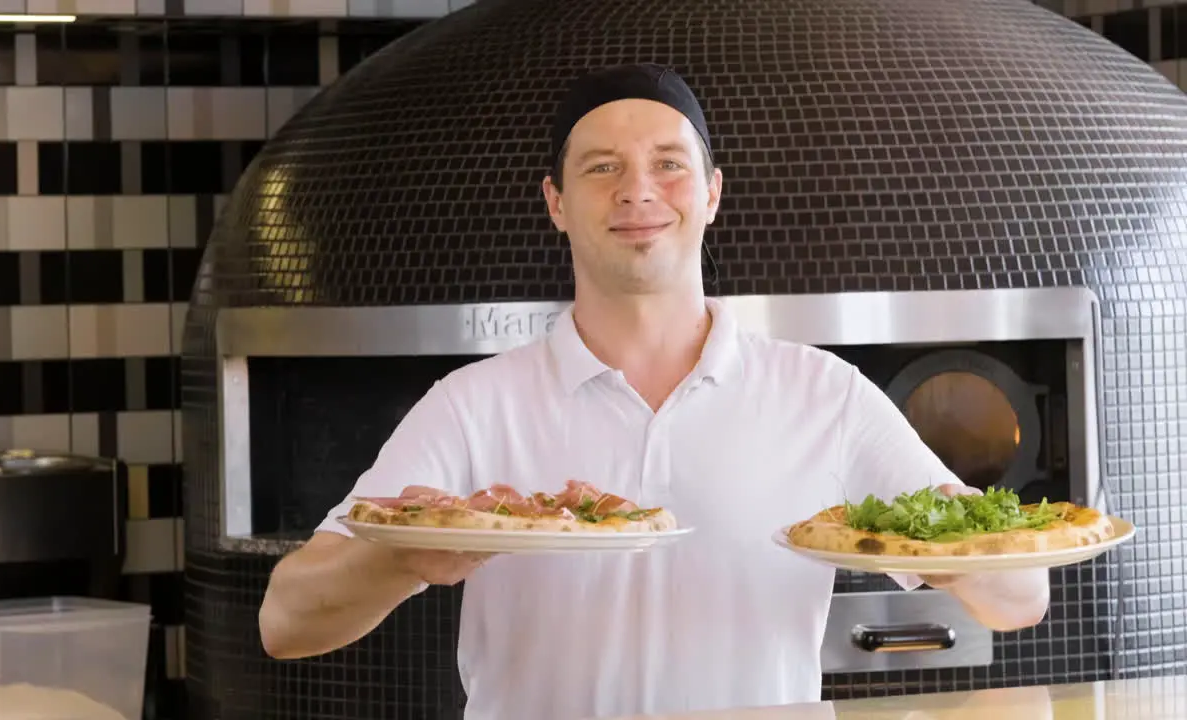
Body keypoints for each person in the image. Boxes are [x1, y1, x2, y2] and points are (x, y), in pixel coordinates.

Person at [258, 63, 1051, 720]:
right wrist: (408, 558)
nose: (638, 192)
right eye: (602, 168)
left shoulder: (825, 395)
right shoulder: (472, 404)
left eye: (668, 164)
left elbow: (1020, 596)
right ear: (556, 205)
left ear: (710, 192)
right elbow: (285, 621)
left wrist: (936, 555)